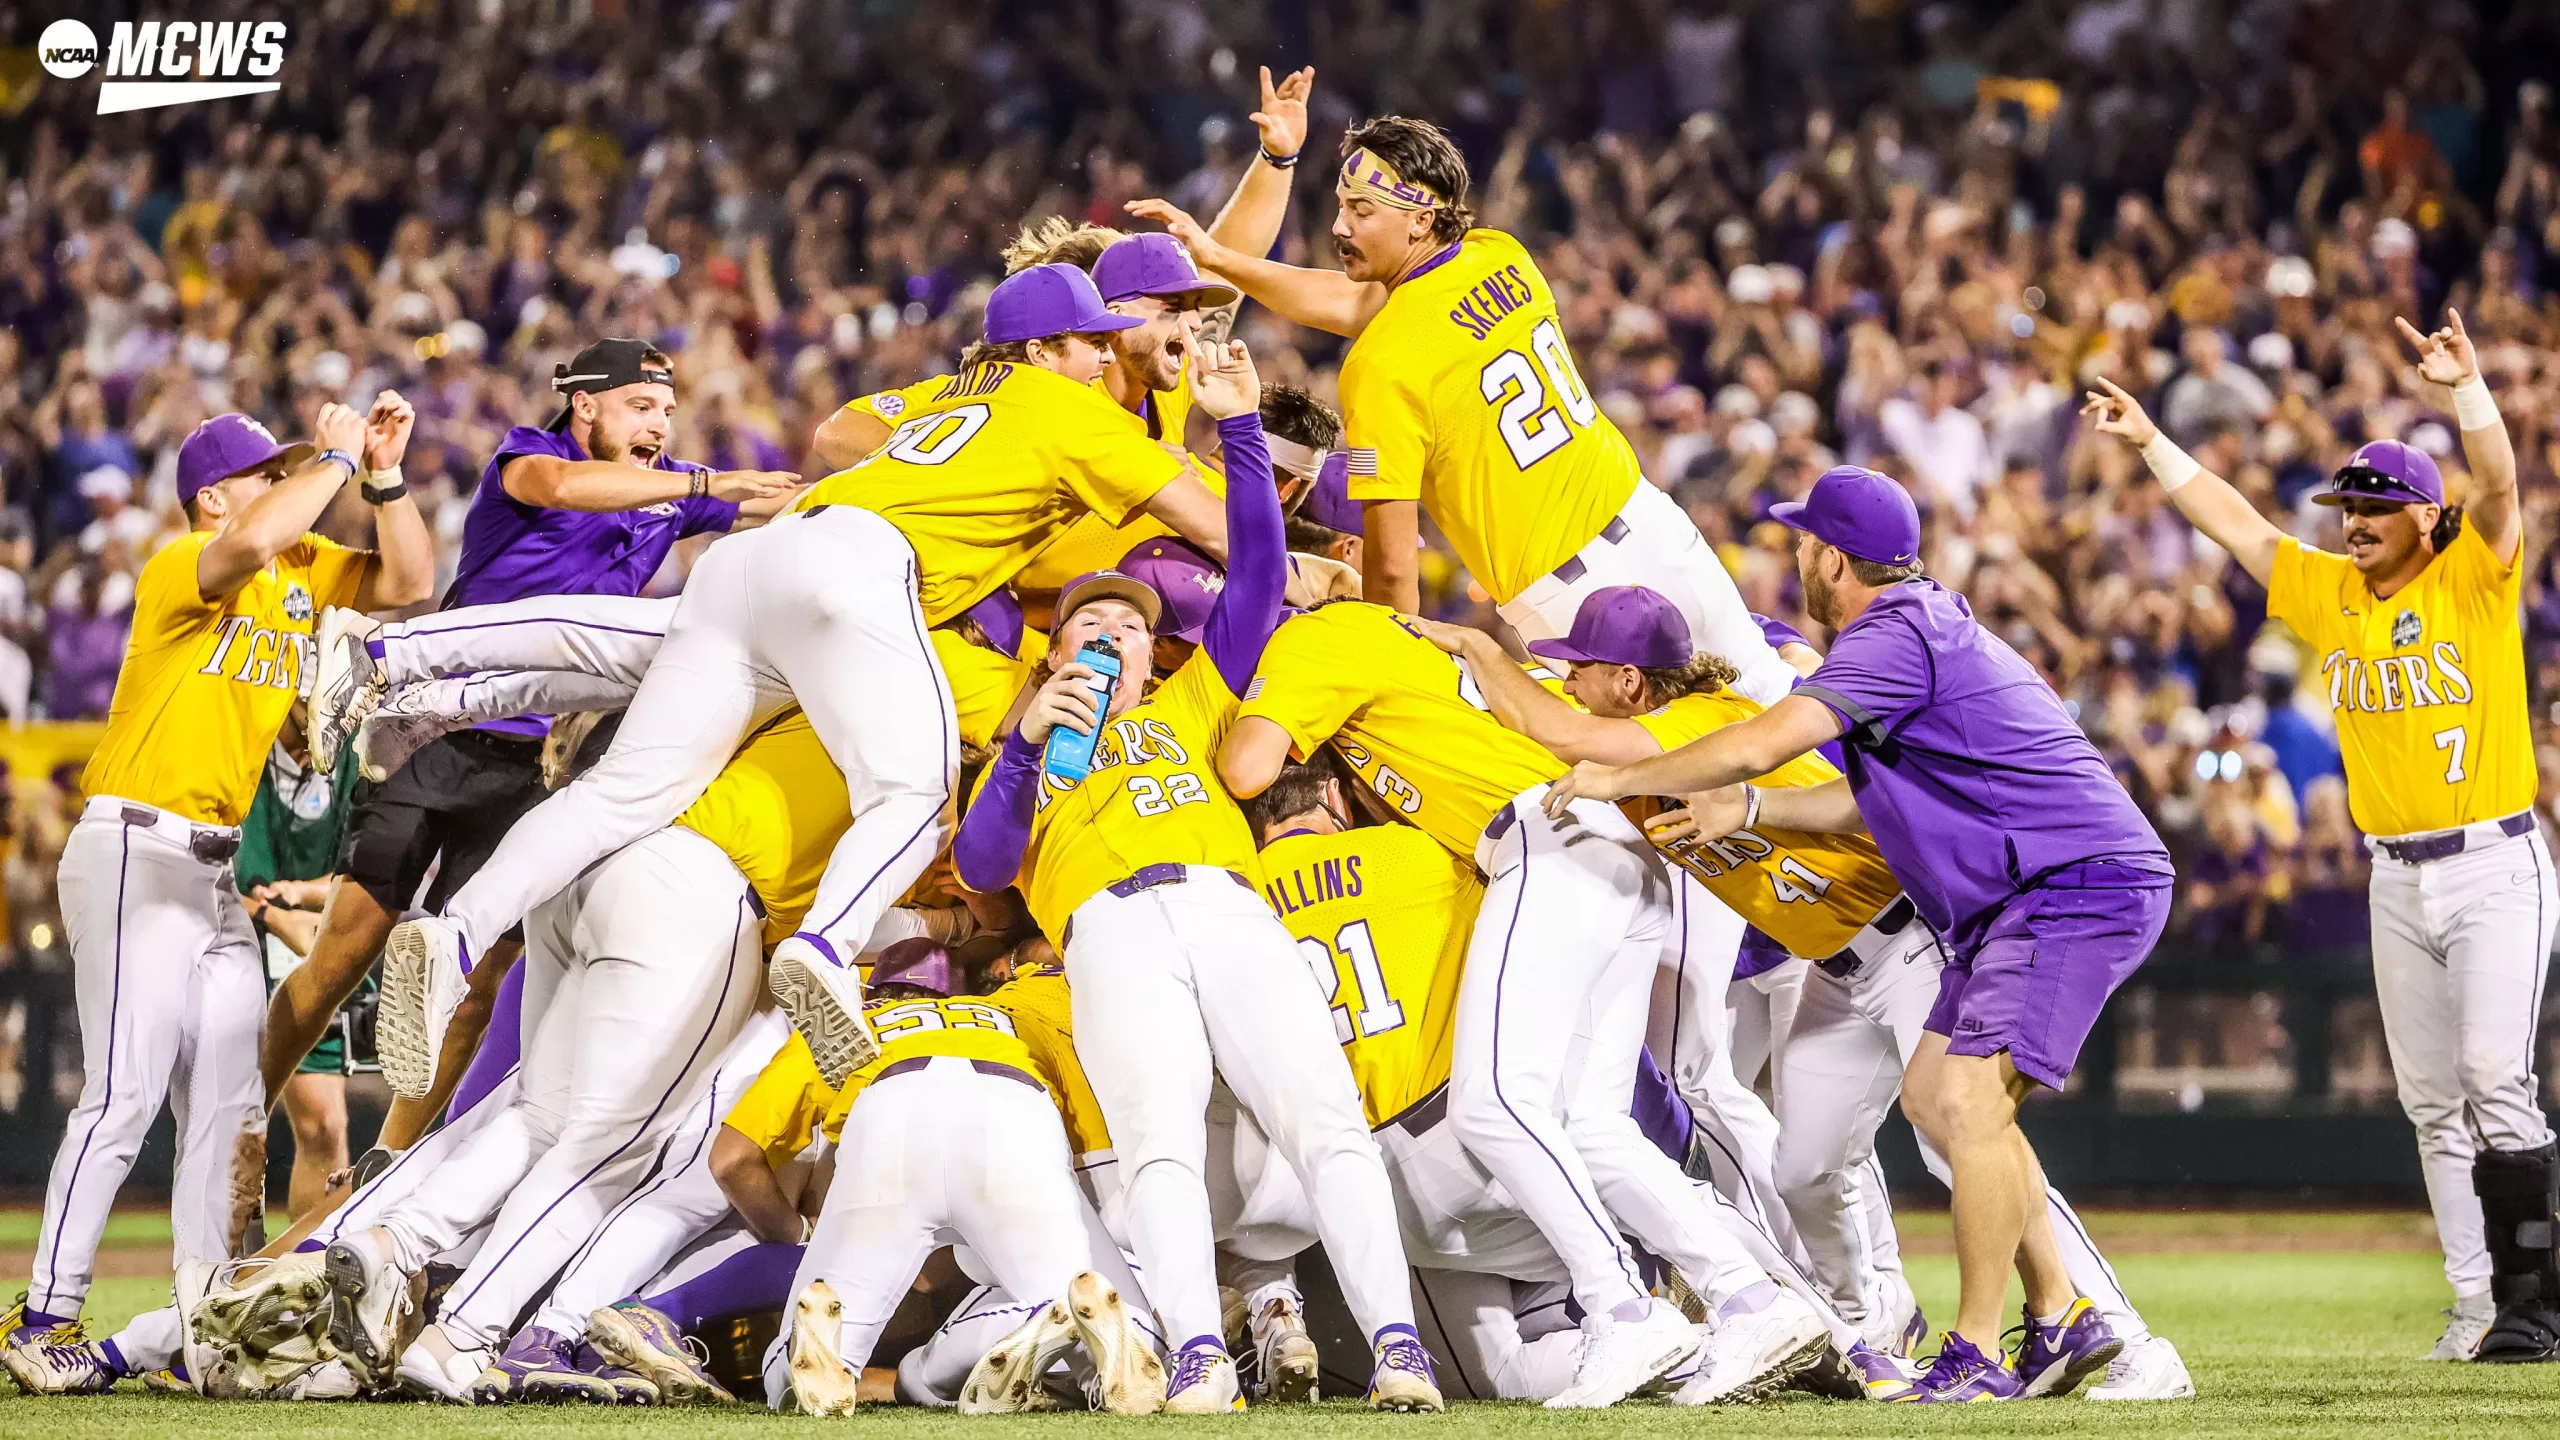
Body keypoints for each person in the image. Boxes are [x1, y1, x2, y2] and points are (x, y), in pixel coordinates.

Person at [370, 264, 1235, 1101]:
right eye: (1090, 343)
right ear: (1043, 351)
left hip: (761, 559)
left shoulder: (952, 394)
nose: (1101, 360)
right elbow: (1217, 530)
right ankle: (825, 946)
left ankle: (452, 930)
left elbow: (838, 438)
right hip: (860, 574)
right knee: (913, 793)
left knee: (621, 789)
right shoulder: (1072, 410)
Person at [1419, 583, 2192, 1400]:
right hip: (1834, 967)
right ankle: (1875, 1327)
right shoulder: (1657, 735)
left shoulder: (1696, 725)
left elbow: (1560, 728)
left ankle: (2115, 1333)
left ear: (1632, 683)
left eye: (1580, 668)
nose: (1567, 680)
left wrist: (1478, 648)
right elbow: (1555, 724)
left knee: (1966, 1127)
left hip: (1912, 938)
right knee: (1807, 1169)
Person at [954, 345, 1442, 1414]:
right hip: (1107, 933)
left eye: (1131, 622)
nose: (1115, 631)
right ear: (1052, 654)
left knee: (1324, 1121)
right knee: (1156, 1147)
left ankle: (1399, 1346)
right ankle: (1195, 1353)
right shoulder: (1022, 751)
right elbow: (982, 870)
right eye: (1091, 621)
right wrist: (1027, 745)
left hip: (1227, 907)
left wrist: (1236, 433)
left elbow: (1261, 578)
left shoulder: (1189, 704)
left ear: (1150, 649)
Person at [2085, 309, 2558, 1366]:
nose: (2353, 520)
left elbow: (2499, 483)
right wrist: (2150, 440)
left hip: (2494, 861)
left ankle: (2537, 1295)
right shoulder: (2333, 595)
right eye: (2347, 504)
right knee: (2430, 1100)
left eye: (2376, 507)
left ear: (2425, 519)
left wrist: (2465, 396)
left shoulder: (2472, 576)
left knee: (2492, 1071)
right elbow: (2239, 526)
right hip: (2396, 875)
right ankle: (2477, 1304)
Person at [1218, 601, 1832, 1408]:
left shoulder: (1323, 638)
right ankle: (1754, 1299)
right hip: (1618, 848)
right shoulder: (1439, 666)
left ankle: (1622, 1308)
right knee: (1594, 1126)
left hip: (1545, 837)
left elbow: (1246, 768)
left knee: (1493, 1105)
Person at [0, 402, 434, 1383]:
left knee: (230, 1107)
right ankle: (45, 1319)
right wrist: (328, 458)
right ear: (214, 493)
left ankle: (200, 1320)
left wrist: (385, 477)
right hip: (132, 848)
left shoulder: (298, 574)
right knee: (123, 1094)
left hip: (210, 872)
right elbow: (254, 534)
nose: (289, 483)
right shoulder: (179, 560)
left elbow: (410, 582)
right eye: (267, 471)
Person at [277, 337, 801, 1114]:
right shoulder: (532, 453)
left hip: (542, 763)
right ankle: (243, 1118)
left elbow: (793, 501)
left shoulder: (673, 492)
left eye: (667, 411)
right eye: (641, 407)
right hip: (435, 732)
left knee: (478, 983)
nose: (660, 424)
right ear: (585, 405)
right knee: (345, 952)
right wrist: (702, 483)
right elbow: (563, 486)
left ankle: (384, 1166)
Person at [1128, 116, 1794, 707]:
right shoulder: (1499, 254)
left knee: (1676, 799)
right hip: (1653, 524)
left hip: (1582, 604)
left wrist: (1385, 677)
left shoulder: (1378, 368)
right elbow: (1363, 305)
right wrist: (1226, 262)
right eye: (1340, 206)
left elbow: (1390, 567)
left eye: (1362, 211)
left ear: (1420, 218)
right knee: (1776, 710)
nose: (1339, 226)